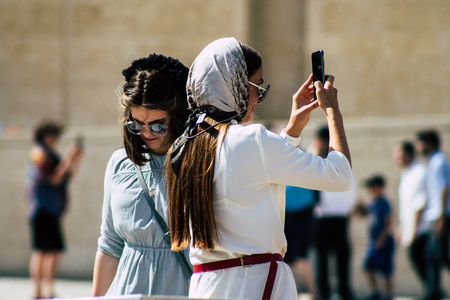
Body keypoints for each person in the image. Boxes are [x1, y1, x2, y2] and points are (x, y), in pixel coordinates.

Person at [167, 37, 353, 300]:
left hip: (207, 285)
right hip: (254, 283)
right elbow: (340, 176)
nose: (260, 97)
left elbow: (254, 174)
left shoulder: (185, 146)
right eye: (257, 85)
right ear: (236, 85)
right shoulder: (252, 139)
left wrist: (293, 129)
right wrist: (333, 111)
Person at [91, 54, 191, 296]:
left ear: (177, 118)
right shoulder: (119, 163)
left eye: (158, 125)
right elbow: (110, 245)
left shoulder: (200, 164)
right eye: (136, 124)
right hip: (127, 290)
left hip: (182, 290)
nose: (146, 133)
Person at [26, 119, 84, 299]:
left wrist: (74, 159)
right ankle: (40, 290)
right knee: (42, 251)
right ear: (46, 135)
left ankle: (46, 289)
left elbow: (66, 175)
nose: (56, 139)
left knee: (52, 251)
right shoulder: (39, 153)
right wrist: (68, 158)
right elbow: (54, 179)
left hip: (52, 209)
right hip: (43, 209)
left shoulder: (50, 153)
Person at [312, 125, 357, 300]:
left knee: (323, 261)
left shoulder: (317, 161)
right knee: (341, 259)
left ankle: (325, 295)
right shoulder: (342, 161)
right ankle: (344, 292)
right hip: (341, 218)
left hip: (324, 218)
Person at [415, 129, 450, 300]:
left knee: (437, 256)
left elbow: (444, 189)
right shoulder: (432, 161)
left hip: (441, 216)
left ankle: (433, 292)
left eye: (420, 143)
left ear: (428, 144)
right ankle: (433, 291)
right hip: (436, 216)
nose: (418, 146)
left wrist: (441, 218)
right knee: (436, 256)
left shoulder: (438, 162)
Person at [392, 141, 428, 288]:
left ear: (408, 155)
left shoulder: (419, 172)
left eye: (400, 155)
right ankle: (432, 290)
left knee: (424, 259)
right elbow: (407, 205)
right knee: (418, 259)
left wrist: (413, 229)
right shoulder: (406, 174)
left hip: (422, 228)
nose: (397, 158)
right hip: (412, 228)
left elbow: (419, 203)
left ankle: (433, 291)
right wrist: (403, 227)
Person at [355, 175, 395, 300]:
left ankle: (388, 295)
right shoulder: (372, 203)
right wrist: (359, 207)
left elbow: (389, 223)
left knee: (386, 270)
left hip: (383, 241)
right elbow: (361, 215)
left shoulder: (384, 203)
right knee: (368, 266)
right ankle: (375, 293)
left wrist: (381, 239)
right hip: (373, 242)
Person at [284, 185, 317, 298]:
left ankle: (314, 293)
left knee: (302, 258)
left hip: (304, 214)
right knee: (287, 259)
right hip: (285, 215)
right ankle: (294, 294)